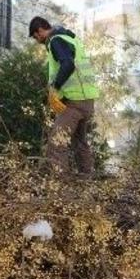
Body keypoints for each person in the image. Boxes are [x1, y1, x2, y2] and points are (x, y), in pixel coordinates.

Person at [29, 16, 100, 176]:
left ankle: (59, 185)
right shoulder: (70, 39)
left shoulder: (56, 41)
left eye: (35, 36)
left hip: (74, 102)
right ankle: (86, 179)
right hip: (87, 100)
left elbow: (68, 64)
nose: (36, 40)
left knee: (57, 141)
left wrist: (54, 87)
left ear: (40, 30)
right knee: (79, 142)